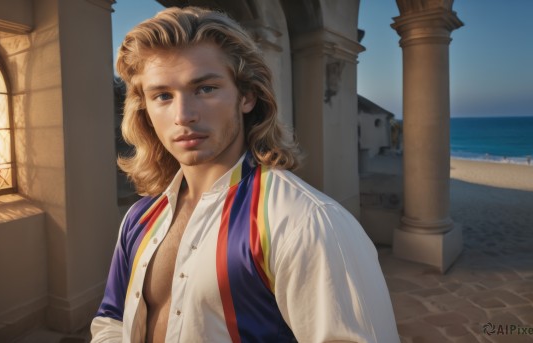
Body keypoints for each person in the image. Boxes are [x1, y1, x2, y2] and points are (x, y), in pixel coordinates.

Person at [91, 6, 399, 343]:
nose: (183, 115)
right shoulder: (140, 217)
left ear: (247, 97)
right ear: (146, 110)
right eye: (162, 95)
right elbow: (112, 319)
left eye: (205, 88)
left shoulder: (307, 224)